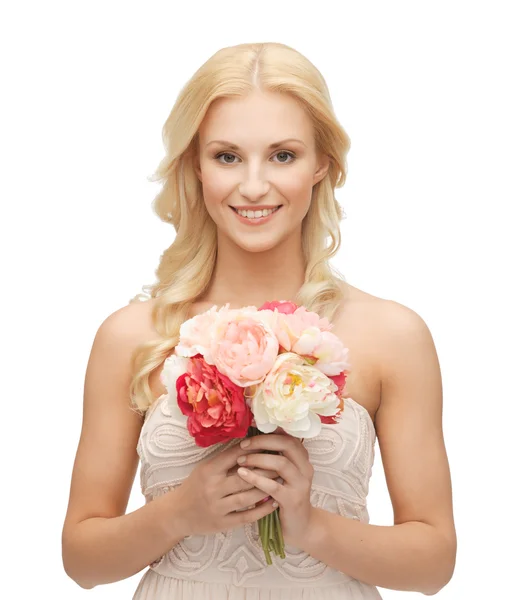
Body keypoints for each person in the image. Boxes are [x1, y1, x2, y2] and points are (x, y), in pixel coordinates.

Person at [61, 42, 457, 599]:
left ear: (323, 163)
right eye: (226, 156)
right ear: (195, 165)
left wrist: (312, 527)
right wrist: (180, 513)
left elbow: (434, 564)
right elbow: (82, 561)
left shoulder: (391, 336)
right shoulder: (131, 336)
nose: (252, 186)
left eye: (282, 155)